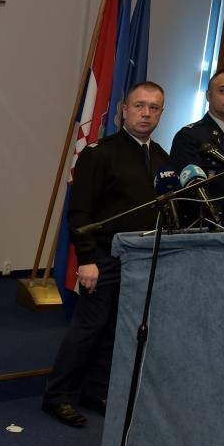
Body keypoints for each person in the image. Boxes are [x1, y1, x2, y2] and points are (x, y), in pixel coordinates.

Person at [42, 82, 170, 428]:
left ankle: (95, 390)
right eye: (139, 106)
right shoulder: (100, 154)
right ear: (123, 111)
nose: (146, 113)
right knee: (89, 325)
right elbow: (80, 213)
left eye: (154, 108)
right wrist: (86, 259)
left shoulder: (161, 157)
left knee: (117, 328)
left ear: (161, 113)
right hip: (104, 255)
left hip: (141, 258)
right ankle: (57, 396)